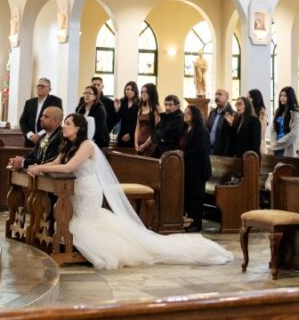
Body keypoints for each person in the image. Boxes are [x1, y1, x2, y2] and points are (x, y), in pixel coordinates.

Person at [27, 113, 232, 268]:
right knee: (73, 223)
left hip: (88, 192)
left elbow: (69, 167)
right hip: (75, 192)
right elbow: (55, 162)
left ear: (78, 128)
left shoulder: (87, 145)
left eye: (68, 123)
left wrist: (41, 168)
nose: (64, 126)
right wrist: (34, 166)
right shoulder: (68, 145)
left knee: (81, 226)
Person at [179, 104, 212, 232]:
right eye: (185, 112)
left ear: (195, 116)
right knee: (189, 196)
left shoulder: (201, 130)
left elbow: (200, 149)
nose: (185, 114)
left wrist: (184, 154)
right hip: (188, 167)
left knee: (196, 197)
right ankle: (189, 221)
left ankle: (197, 223)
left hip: (198, 168)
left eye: (189, 113)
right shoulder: (186, 129)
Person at [8, 106, 63, 170]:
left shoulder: (60, 138)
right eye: (42, 116)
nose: (41, 118)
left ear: (56, 121)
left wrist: (23, 163)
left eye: (46, 116)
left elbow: (47, 162)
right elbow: (31, 155)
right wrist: (19, 160)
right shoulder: (42, 136)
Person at [18, 78, 63, 148]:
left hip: (47, 139)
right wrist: (30, 135)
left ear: (49, 89)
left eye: (42, 86)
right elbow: (22, 120)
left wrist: (39, 135)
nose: (39, 88)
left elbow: (56, 120)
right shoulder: (29, 102)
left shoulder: (55, 101)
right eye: (38, 86)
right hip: (30, 141)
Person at [270, 87, 299, 159]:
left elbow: (293, 135)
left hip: (287, 148)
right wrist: (273, 145)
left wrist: (275, 145)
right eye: (281, 95)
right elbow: (273, 131)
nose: (282, 98)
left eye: (285, 96)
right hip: (276, 149)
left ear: (290, 97)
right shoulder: (278, 112)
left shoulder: (295, 114)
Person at [80, 84, 109, 149]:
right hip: (83, 140)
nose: (86, 95)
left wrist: (90, 140)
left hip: (97, 141)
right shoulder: (81, 108)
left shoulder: (100, 109)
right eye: (85, 93)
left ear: (95, 97)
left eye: (89, 93)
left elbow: (99, 128)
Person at [135, 82, 160, 156]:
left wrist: (145, 145)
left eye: (146, 92)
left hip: (151, 144)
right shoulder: (140, 108)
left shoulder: (156, 109)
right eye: (142, 92)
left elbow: (156, 130)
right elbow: (137, 127)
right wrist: (136, 143)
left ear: (151, 93)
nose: (143, 94)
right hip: (139, 143)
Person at [207, 88, 233, 155]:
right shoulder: (212, 112)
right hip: (209, 150)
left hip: (222, 152)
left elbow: (232, 136)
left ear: (227, 98)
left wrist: (231, 125)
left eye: (220, 94)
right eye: (216, 94)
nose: (217, 96)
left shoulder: (232, 113)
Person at [114, 81, 139, 149]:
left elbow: (138, 122)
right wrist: (117, 109)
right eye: (127, 89)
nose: (129, 92)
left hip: (134, 135)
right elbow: (116, 119)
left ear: (135, 91)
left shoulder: (139, 104)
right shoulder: (122, 102)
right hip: (122, 134)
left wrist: (130, 134)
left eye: (132, 90)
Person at [249, 89, 268, 155]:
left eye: (249, 97)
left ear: (255, 98)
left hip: (259, 143)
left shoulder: (261, 112)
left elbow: (261, 131)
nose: (247, 99)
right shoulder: (250, 111)